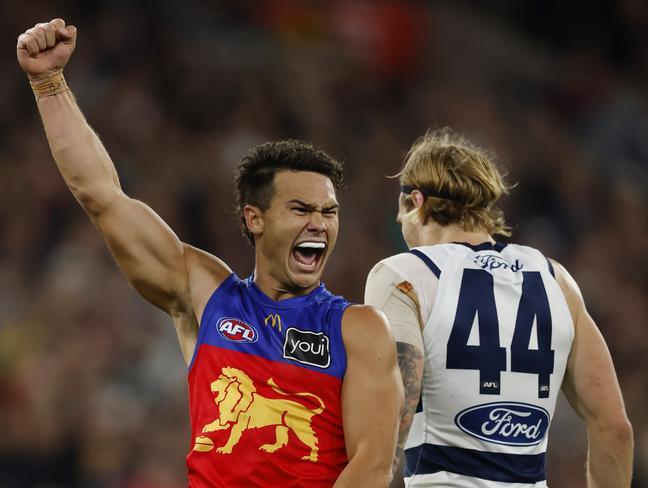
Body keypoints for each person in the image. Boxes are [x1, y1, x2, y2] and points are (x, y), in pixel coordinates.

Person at [17, 18, 403, 487]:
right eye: (301, 209)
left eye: (329, 211)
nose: (319, 223)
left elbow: (372, 467)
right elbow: (103, 196)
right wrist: (49, 83)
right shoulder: (207, 296)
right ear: (254, 219)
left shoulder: (358, 329)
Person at [364, 128, 634, 487]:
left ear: (417, 202)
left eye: (400, 209)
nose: (398, 222)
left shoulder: (402, 273)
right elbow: (614, 427)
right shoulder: (556, 280)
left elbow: (394, 417)